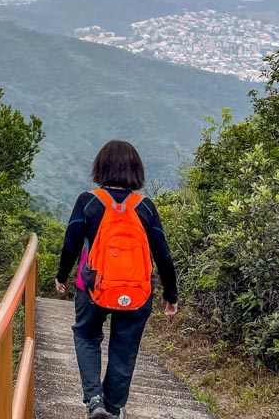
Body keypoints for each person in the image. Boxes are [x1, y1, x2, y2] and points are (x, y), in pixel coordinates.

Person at [55, 140, 178, 419]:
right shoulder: (145, 206)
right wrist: (171, 295)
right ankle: (112, 408)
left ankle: (94, 400)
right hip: (137, 291)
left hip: (92, 286)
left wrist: (62, 276)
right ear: (136, 171)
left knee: (86, 335)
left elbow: (71, 243)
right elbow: (163, 254)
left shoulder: (88, 202)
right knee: (125, 346)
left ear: (100, 166)